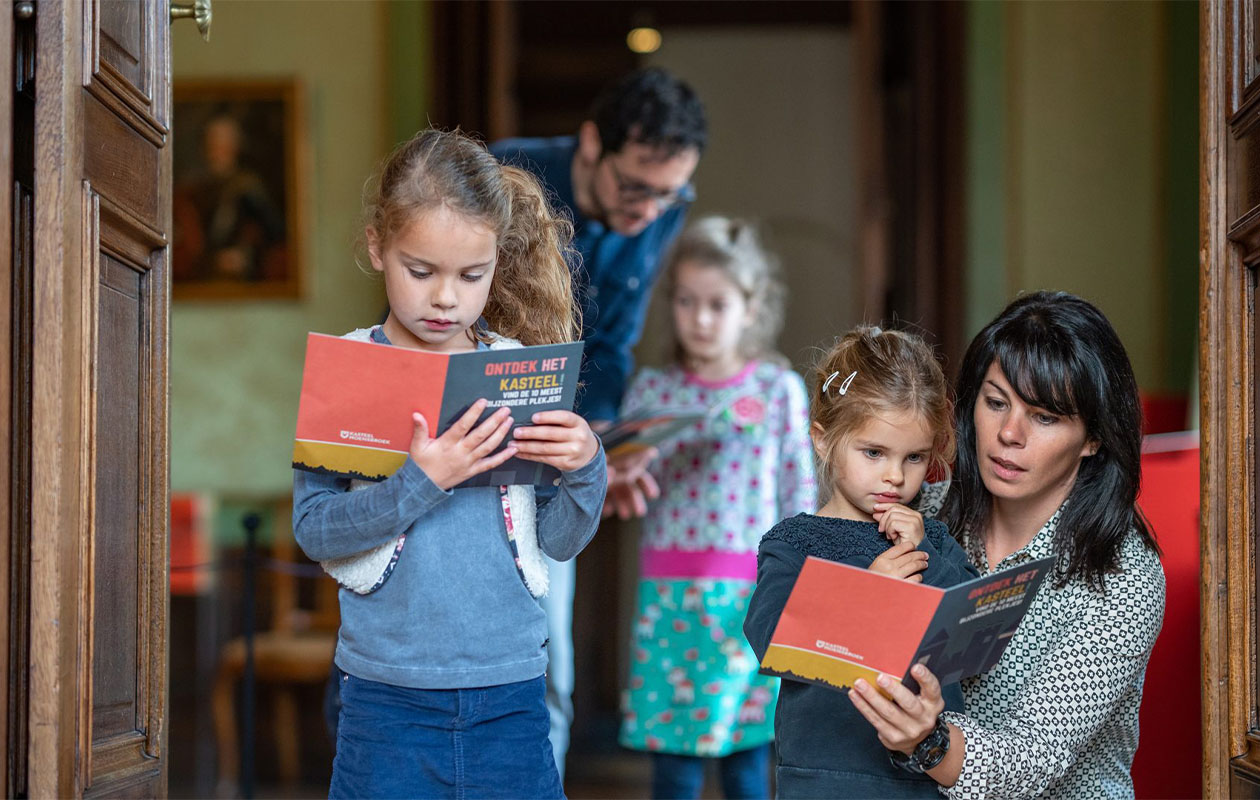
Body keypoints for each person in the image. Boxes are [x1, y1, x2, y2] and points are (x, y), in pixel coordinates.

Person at [292, 128, 607, 799]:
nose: (445, 299)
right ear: (377, 246)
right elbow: (315, 530)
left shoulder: (517, 369)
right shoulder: (349, 371)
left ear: (499, 258)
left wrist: (586, 468)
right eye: (421, 270)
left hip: (513, 696)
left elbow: (558, 540)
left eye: (471, 275)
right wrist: (421, 483)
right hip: (385, 702)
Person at [846, 291, 1166, 799]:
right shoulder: (921, 513)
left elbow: (1033, 759)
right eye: (996, 403)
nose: (1008, 434)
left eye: (1044, 417)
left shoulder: (1121, 572)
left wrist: (927, 741)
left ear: (1093, 438)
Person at [490, 66, 708, 777]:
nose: (651, 211)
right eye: (636, 187)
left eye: (669, 194)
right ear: (591, 145)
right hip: (473, 445)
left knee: (549, 668)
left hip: (558, 466)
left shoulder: (662, 207)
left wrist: (605, 447)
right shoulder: (504, 174)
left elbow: (612, 344)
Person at [613, 217, 817, 799]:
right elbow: (620, 486)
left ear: (750, 307)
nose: (699, 319)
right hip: (669, 599)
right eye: (685, 301)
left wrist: (796, 584)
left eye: (717, 304)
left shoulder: (778, 390)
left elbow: (797, 493)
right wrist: (619, 469)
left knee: (748, 764)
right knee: (674, 768)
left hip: (753, 600)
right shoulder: (651, 393)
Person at [742, 325, 981, 798]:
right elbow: (771, 641)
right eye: (874, 453)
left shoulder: (930, 538)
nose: (895, 476)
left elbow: (972, 629)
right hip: (823, 778)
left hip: (922, 778)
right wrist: (867, 593)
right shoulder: (794, 542)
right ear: (824, 441)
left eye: (914, 458)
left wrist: (926, 554)